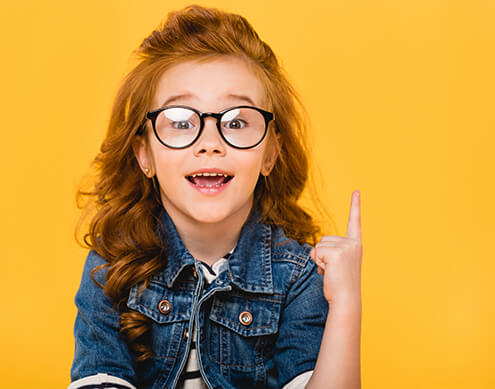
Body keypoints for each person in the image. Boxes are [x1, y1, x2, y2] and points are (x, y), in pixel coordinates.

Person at [69, 4, 363, 389]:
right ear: (145, 155)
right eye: (180, 121)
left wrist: (347, 303)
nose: (210, 143)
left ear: (270, 154)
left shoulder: (297, 277)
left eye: (237, 121)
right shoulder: (111, 268)